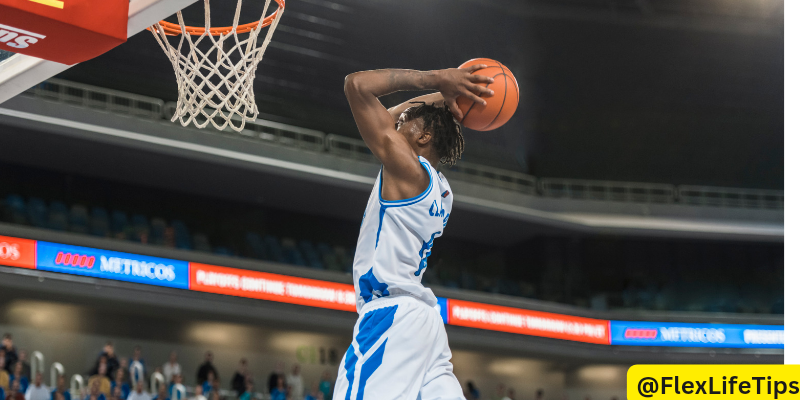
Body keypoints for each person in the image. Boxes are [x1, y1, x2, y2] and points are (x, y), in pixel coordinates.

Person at [333, 66, 491, 400]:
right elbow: (390, 117)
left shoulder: (406, 170)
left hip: (391, 316)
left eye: (408, 121)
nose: (399, 120)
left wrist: (437, 80)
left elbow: (357, 86)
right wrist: (450, 95)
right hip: (426, 325)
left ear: (423, 138)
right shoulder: (442, 191)